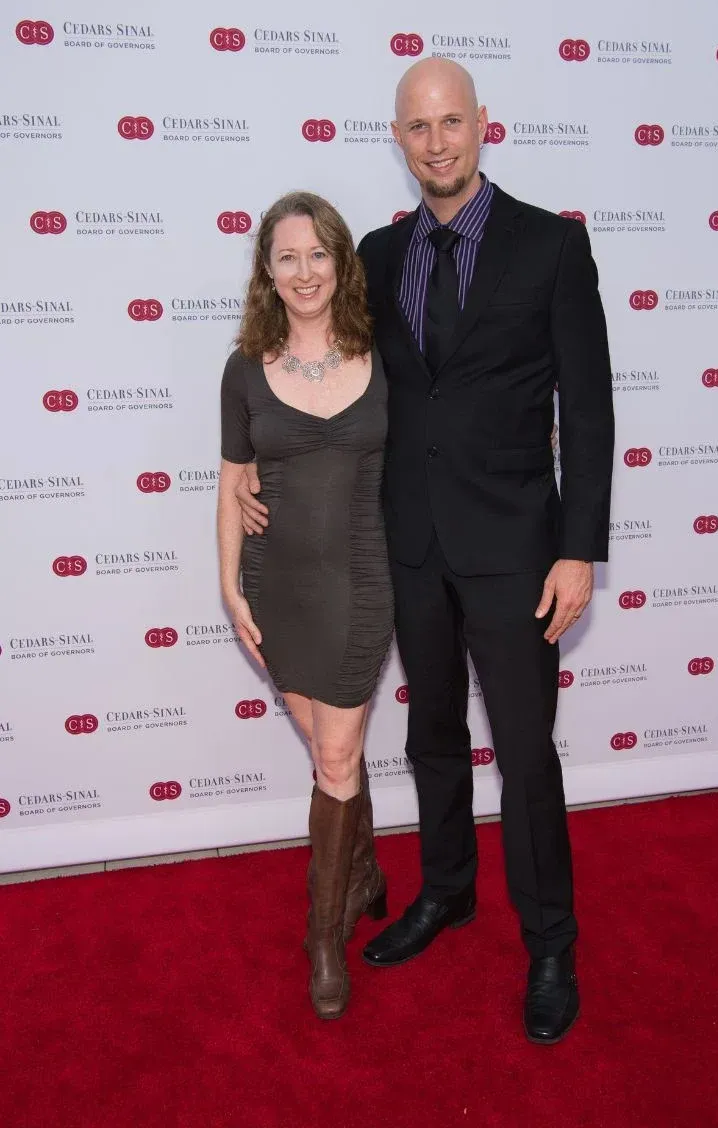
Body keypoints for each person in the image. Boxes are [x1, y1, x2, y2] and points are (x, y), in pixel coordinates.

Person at [235, 59, 614, 1044]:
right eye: (416, 127)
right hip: (405, 544)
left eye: (450, 122)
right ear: (396, 139)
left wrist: (578, 551)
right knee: (432, 736)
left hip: (516, 548)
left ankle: (548, 939)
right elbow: (333, 380)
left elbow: (591, 404)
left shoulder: (550, 248)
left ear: (482, 125)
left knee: (524, 754)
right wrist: (249, 465)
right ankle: (446, 890)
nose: (435, 142)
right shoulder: (373, 249)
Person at [217, 192, 393, 1021]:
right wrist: (228, 585)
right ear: (267, 272)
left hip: (362, 581)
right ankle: (360, 868)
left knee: (334, 756)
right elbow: (229, 481)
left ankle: (324, 938)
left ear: (340, 262)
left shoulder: (381, 349)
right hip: (276, 587)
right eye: (286, 256)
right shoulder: (245, 367)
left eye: (317, 253)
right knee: (336, 757)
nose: (303, 271)